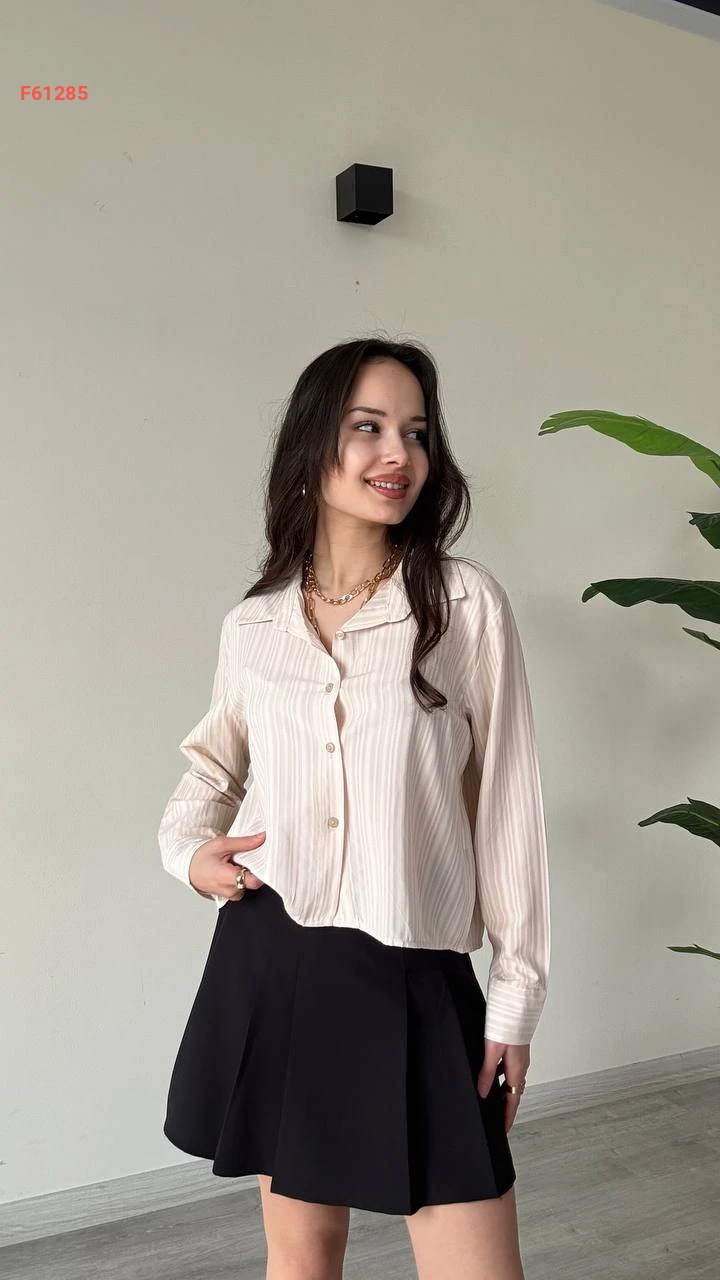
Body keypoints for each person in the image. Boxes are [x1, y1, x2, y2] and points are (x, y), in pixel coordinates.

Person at [157, 336, 551, 1280]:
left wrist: (515, 999)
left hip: (414, 973)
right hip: (273, 960)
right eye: (367, 426)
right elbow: (210, 767)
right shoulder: (255, 624)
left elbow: (509, 807)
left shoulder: (464, 607)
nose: (397, 454)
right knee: (301, 1260)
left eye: (416, 432)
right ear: (311, 446)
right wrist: (191, 852)